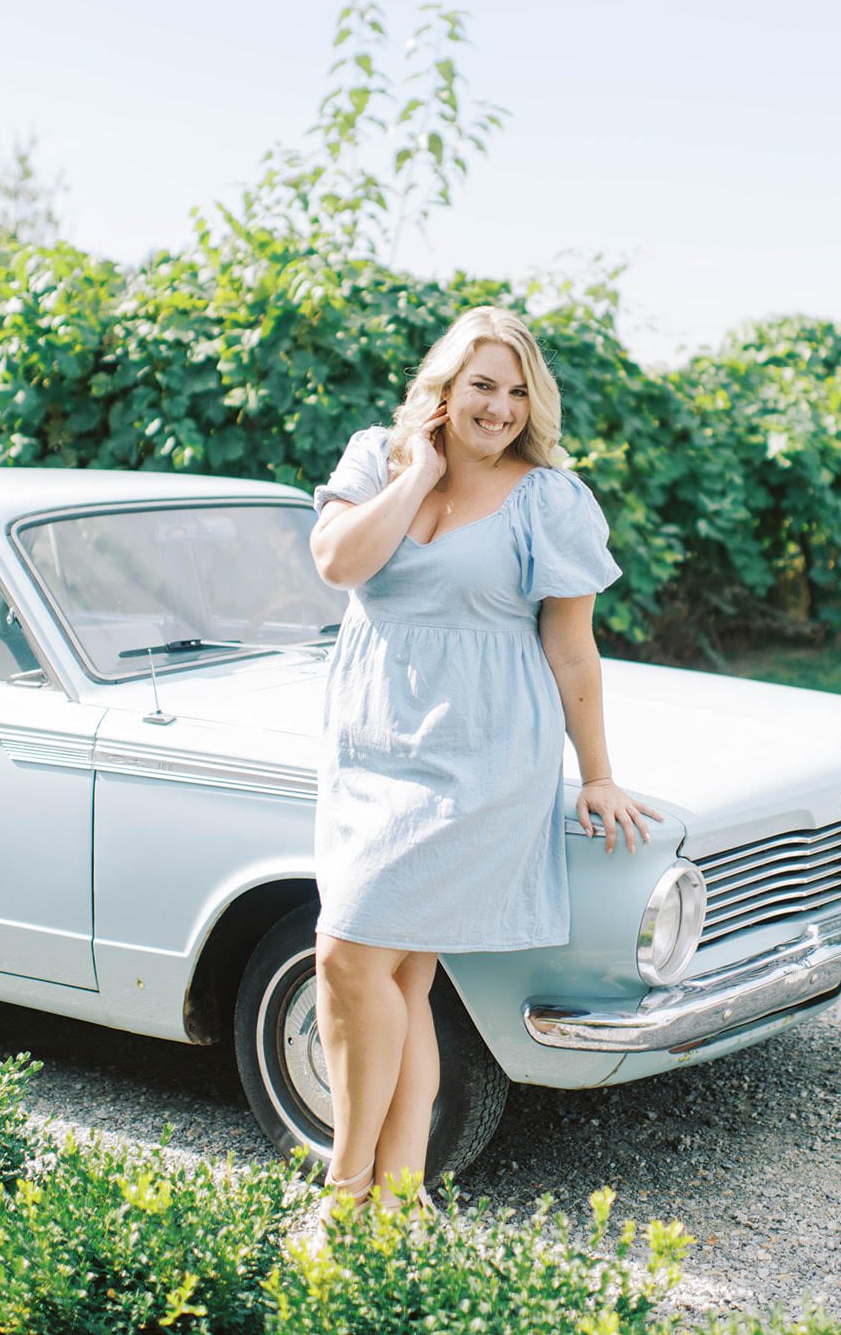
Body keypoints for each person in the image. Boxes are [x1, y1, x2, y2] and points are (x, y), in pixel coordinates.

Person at [307, 305, 661, 1241]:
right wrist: (420, 473)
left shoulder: (549, 500)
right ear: (443, 389)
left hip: (482, 755)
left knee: (345, 955)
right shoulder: (376, 457)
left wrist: (596, 774)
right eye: (481, 386)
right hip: (370, 745)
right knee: (399, 977)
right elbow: (339, 563)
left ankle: (342, 1195)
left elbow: (572, 649)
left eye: (516, 392)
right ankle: (397, 1204)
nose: (499, 408)